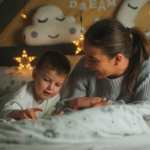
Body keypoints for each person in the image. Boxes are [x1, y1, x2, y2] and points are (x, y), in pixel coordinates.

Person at [56, 18, 150, 113]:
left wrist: (101, 102)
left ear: (117, 59)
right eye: (86, 56)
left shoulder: (146, 72)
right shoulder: (83, 66)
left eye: (93, 60)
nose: (85, 64)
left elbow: (145, 113)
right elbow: (64, 108)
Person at [0, 50, 70, 119]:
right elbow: (4, 112)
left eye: (57, 84)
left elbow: (47, 117)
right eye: (46, 80)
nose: (51, 87)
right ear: (35, 74)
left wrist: (53, 118)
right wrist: (19, 113)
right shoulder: (22, 96)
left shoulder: (55, 98)